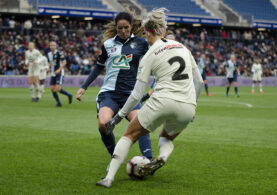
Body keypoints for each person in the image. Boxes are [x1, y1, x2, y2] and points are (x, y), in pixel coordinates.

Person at [96, 8, 204, 188]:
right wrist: (193, 107)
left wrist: (119, 117)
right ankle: (161, 157)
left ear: (148, 32)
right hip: (187, 105)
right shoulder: (183, 47)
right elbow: (199, 82)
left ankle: (109, 178)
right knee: (166, 138)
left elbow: (136, 94)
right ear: (163, 30)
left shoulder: (150, 54)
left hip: (162, 100)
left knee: (129, 135)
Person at [76, 12, 153, 160]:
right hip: (109, 93)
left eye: (126, 27)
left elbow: (155, 62)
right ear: (116, 27)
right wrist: (84, 87)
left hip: (130, 94)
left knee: (140, 123)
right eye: (120, 28)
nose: (123, 31)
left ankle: (148, 160)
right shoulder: (108, 44)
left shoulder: (141, 44)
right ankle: (115, 158)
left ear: (131, 27)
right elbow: (98, 67)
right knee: (103, 124)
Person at [47, 41, 72, 107]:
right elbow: (50, 62)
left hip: (60, 73)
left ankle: (69, 95)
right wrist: (48, 67)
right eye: (51, 45)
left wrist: (59, 69)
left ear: (55, 46)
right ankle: (59, 103)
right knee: (52, 89)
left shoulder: (59, 53)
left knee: (58, 89)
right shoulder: (49, 54)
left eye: (53, 45)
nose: (52, 47)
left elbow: (64, 62)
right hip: (53, 73)